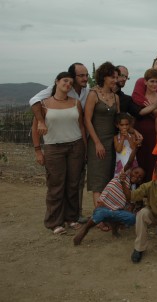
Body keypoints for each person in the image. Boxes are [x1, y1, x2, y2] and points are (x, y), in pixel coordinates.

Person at [30, 62, 90, 223]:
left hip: (75, 146)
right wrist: (37, 150)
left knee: (72, 185)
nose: (68, 84)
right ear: (56, 81)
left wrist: (84, 149)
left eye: (70, 82)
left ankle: (71, 218)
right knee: (56, 186)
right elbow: (35, 128)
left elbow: (81, 127)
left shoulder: (76, 102)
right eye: (65, 81)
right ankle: (54, 221)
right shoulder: (43, 104)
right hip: (54, 148)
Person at [73, 151, 145, 245]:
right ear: (130, 171)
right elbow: (130, 162)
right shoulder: (122, 176)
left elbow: (130, 206)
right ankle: (85, 229)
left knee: (131, 218)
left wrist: (127, 216)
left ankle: (114, 229)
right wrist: (135, 147)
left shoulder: (132, 192)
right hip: (104, 208)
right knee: (100, 214)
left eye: (140, 177)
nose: (137, 176)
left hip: (116, 212)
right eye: (136, 173)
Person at [85, 62, 120, 210]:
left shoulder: (116, 97)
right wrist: (97, 142)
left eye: (116, 77)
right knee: (98, 180)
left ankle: (107, 213)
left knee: (109, 178)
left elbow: (119, 120)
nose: (115, 80)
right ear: (104, 77)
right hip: (97, 142)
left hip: (112, 142)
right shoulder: (93, 94)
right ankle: (99, 217)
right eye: (112, 77)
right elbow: (87, 120)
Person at [131, 68, 157, 181]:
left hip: (154, 136)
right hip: (140, 134)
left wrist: (154, 107)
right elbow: (135, 114)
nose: (154, 84)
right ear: (145, 82)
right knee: (139, 162)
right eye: (151, 81)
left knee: (153, 163)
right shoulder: (139, 97)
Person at [114, 113, 139, 177]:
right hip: (121, 164)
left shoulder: (132, 136)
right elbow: (118, 150)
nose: (124, 127)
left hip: (132, 163)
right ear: (117, 125)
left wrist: (128, 137)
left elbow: (134, 148)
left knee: (132, 180)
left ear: (129, 125)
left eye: (126, 124)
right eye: (122, 125)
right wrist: (122, 138)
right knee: (121, 180)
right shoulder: (116, 137)